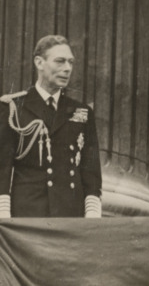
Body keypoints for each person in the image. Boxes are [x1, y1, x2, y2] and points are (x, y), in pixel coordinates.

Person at [0, 35, 102, 218]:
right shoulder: (13, 107)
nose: (67, 68)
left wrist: (92, 215)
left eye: (70, 62)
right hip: (27, 216)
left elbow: (91, 171)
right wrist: (3, 215)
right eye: (60, 62)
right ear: (39, 63)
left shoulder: (82, 112)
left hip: (71, 215)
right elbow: (3, 167)